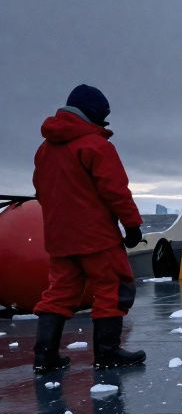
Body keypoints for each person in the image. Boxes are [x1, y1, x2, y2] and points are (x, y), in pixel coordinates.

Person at [31, 84, 146, 373]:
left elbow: (41, 191)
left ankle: (44, 357)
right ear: (94, 113)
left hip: (59, 238)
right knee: (112, 288)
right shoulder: (96, 146)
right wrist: (132, 226)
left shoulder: (45, 150)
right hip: (97, 237)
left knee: (60, 292)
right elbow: (116, 191)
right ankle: (107, 354)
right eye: (103, 116)